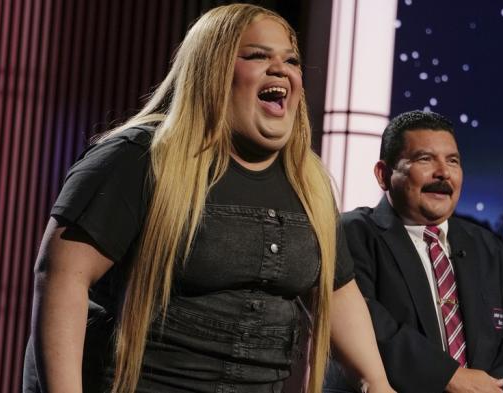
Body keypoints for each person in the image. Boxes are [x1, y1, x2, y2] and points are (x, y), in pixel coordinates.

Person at [22, 4, 395, 393]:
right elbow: (62, 278)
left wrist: (377, 381)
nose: (281, 70)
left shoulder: (310, 182)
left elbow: (335, 289)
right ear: (211, 69)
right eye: (257, 56)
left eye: (291, 60)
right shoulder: (138, 159)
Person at [325, 111, 503, 393]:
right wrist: (449, 378)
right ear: (384, 174)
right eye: (424, 159)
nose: (443, 172)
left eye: (453, 161)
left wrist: (493, 389)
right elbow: (362, 322)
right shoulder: (351, 233)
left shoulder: (490, 248)